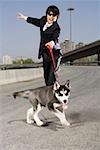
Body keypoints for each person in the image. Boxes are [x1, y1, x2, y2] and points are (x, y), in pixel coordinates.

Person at [17, 5, 62, 86]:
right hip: (45, 52)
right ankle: (52, 89)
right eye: (49, 14)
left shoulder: (56, 27)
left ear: (57, 17)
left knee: (50, 75)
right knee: (46, 75)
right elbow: (35, 21)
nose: (51, 17)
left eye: (54, 15)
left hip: (53, 54)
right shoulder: (43, 21)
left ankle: (52, 91)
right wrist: (25, 18)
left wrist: (51, 43)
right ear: (46, 14)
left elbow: (55, 36)